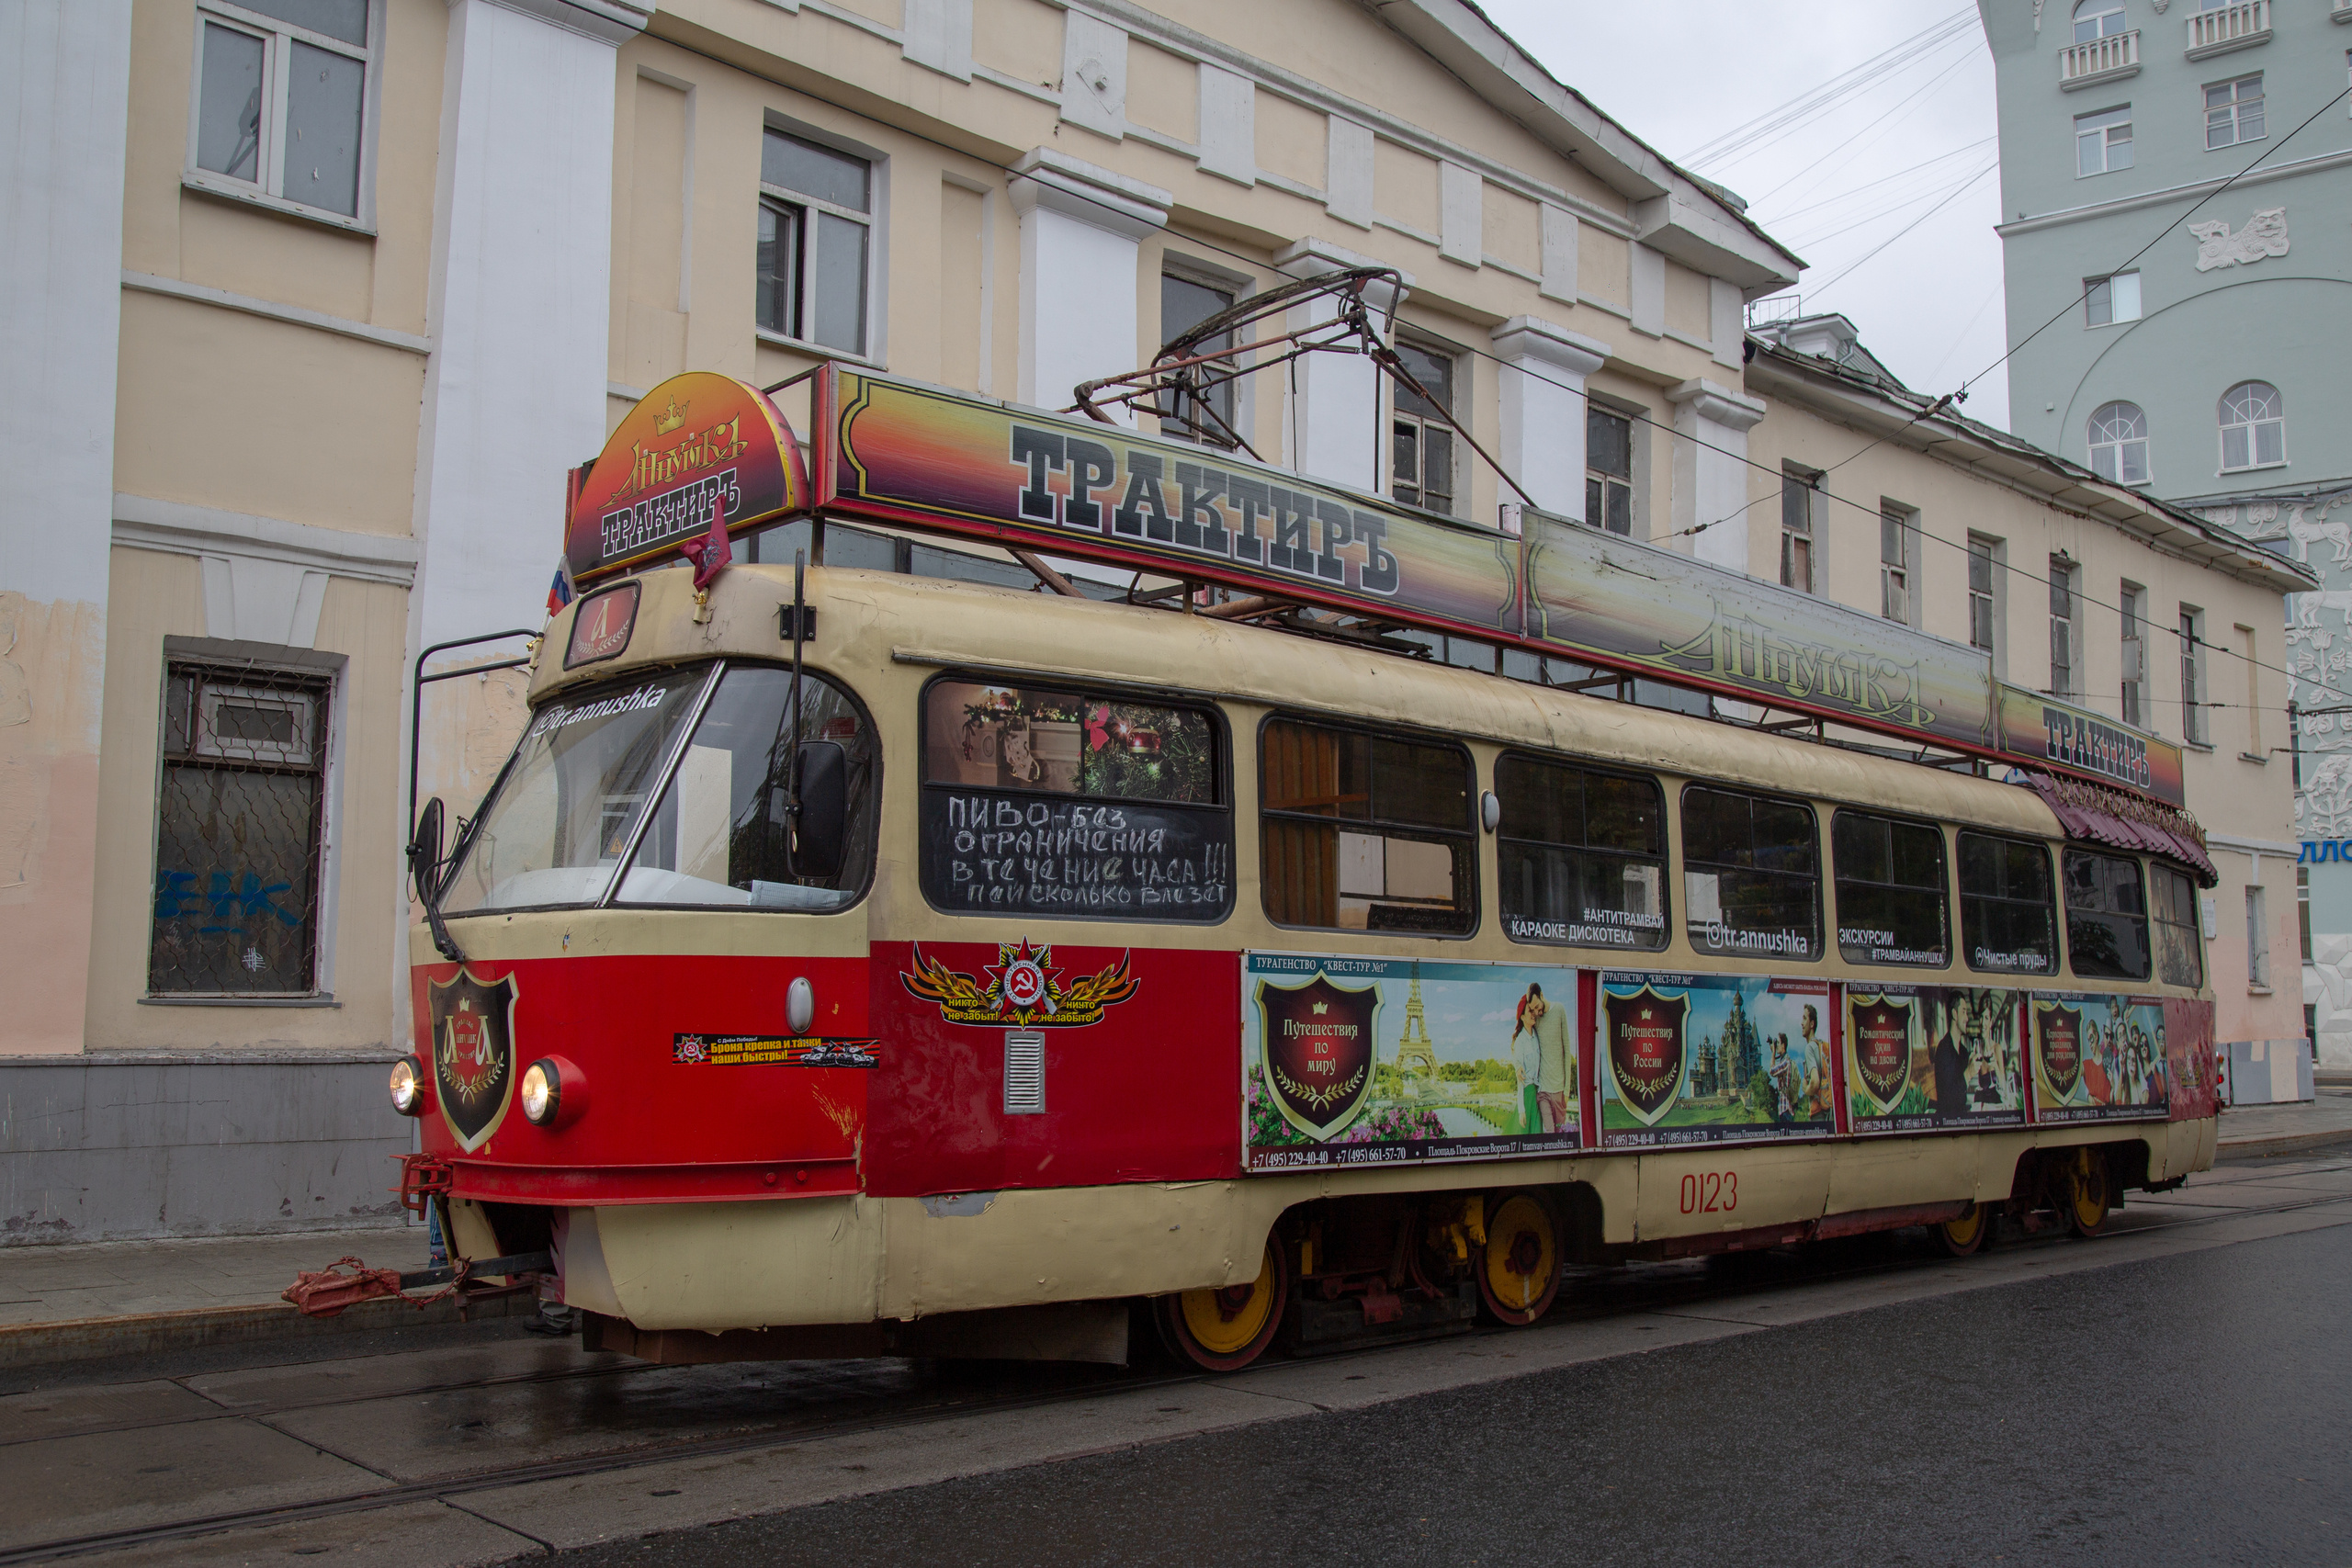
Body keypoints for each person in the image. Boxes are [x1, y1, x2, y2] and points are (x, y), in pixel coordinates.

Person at [1512, 982, 1572, 1134]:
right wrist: (1517, 1065)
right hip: (1542, 1090)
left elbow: (1567, 1052)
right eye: (1532, 1010)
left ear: (1542, 995)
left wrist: (1567, 1090)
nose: (1537, 1012)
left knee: (1560, 1134)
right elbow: (1517, 1047)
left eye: (1537, 1007)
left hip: (1559, 1091)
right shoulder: (1534, 1021)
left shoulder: (1559, 1010)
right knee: (1549, 1134)